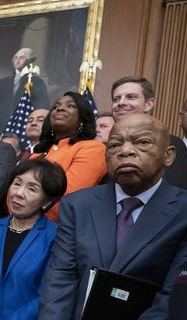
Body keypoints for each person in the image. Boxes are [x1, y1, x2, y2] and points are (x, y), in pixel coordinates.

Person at [39, 114, 187, 319]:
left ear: (168, 155)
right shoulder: (77, 205)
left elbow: (172, 297)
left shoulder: (183, 211)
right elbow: (61, 278)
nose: (125, 151)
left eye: (142, 142)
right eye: (114, 145)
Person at [0, 159, 67, 320]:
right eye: (17, 183)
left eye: (32, 189)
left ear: (46, 201)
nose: (19, 193)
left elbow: (45, 294)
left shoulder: (55, 237)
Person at [31, 92, 106, 221]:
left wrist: (27, 214)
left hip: (54, 230)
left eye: (70, 106)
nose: (60, 108)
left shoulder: (93, 148)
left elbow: (68, 198)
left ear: (83, 118)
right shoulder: (37, 154)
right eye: (55, 107)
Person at [110, 76, 187, 189]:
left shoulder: (170, 143)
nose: (120, 103)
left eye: (130, 97)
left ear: (148, 104)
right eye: (116, 99)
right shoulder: (104, 143)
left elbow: (174, 194)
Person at [0, 48, 50, 136]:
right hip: (0, 126)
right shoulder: (5, 81)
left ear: (29, 60)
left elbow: (43, 105)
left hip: (21, 125)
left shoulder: (37, 82)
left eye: (22, 58)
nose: (17, 60)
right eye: (15, 58)